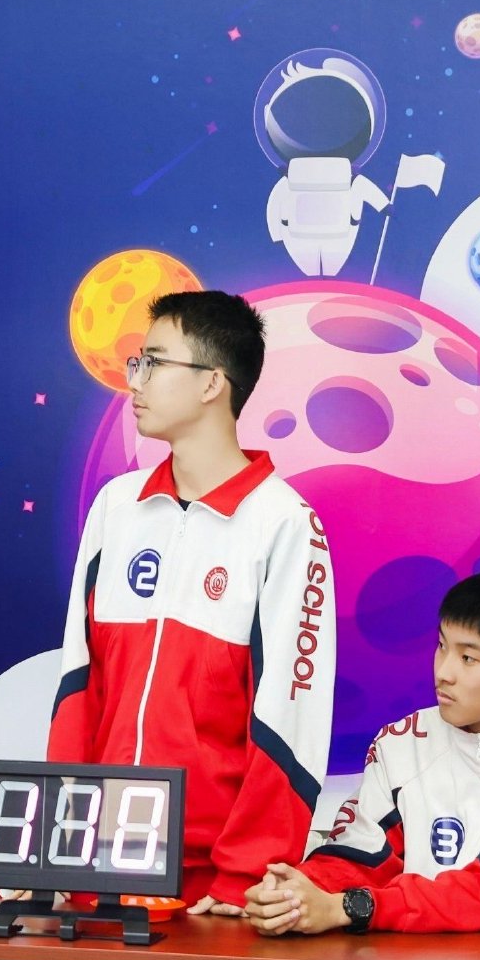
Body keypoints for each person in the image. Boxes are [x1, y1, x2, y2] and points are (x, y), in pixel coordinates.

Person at [50, 289, 333, 913]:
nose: (135, 381)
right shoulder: (116, 507)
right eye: (137, 363)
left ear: (212, 383)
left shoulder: (283, 523)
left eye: (154, 362)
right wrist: (64, 850)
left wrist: (243, 876)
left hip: (211, 891)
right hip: (98, 867)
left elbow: (291, 716)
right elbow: (78, 682)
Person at [244, 566, 480, 937]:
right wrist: (293, 894)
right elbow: (360, 859)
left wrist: (351, 907)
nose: (443, 672)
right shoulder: (403, 742)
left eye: (468, 658)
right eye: (442, 646)